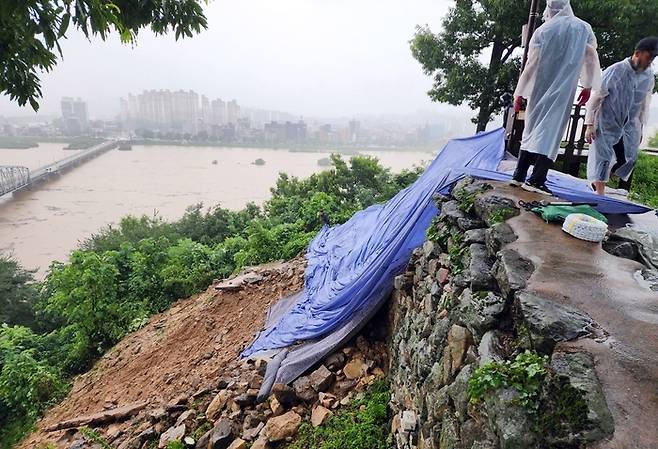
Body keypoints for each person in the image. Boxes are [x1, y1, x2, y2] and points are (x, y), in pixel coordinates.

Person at [510, 0, 602, 195]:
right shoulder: (583, 28)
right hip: (563, 89)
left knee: (532, 128)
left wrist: (519, 92)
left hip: (539, 88)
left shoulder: (543, 31)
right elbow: (591, 59)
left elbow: (530, 65)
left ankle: (519, 175)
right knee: (550, 132)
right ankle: (536, 180)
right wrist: (587, 85)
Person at [585, 37, 657, 196]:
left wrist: (641, 128)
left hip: (630, 125)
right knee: (602, 158)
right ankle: (600, 194)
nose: (650, 61)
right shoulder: (616, 70)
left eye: (653, 58)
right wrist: (589, 124)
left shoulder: (648, 76)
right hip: (607, 121)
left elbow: (645, 103)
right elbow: (596, 97)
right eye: (648, 57)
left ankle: (599, 181)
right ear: (637, 53)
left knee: (628, 159)